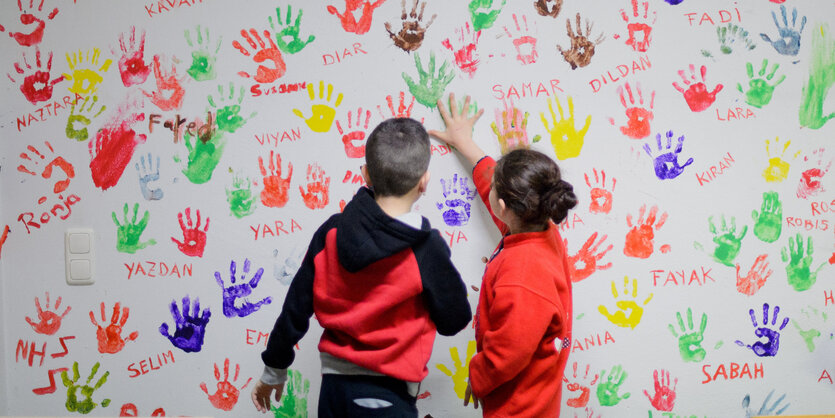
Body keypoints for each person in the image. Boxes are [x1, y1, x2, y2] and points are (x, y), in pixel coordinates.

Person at [251, 117, 472, 417]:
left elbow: (295, 307)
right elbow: (454, 320)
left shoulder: (330, 232)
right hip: (389, 396)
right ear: (424, 181)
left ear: (366, 174)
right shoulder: (424, 248)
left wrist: (274, 370)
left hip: (333, 392)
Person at [429, 94, 577, 417]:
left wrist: (478, 375)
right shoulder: (539, 228)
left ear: (503, 207)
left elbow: (509, 350)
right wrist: (463, 142)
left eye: (495, 187)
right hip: (535, 393)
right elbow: (495, 185)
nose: (489, 186)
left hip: (519, 407)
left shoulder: (522, 273)